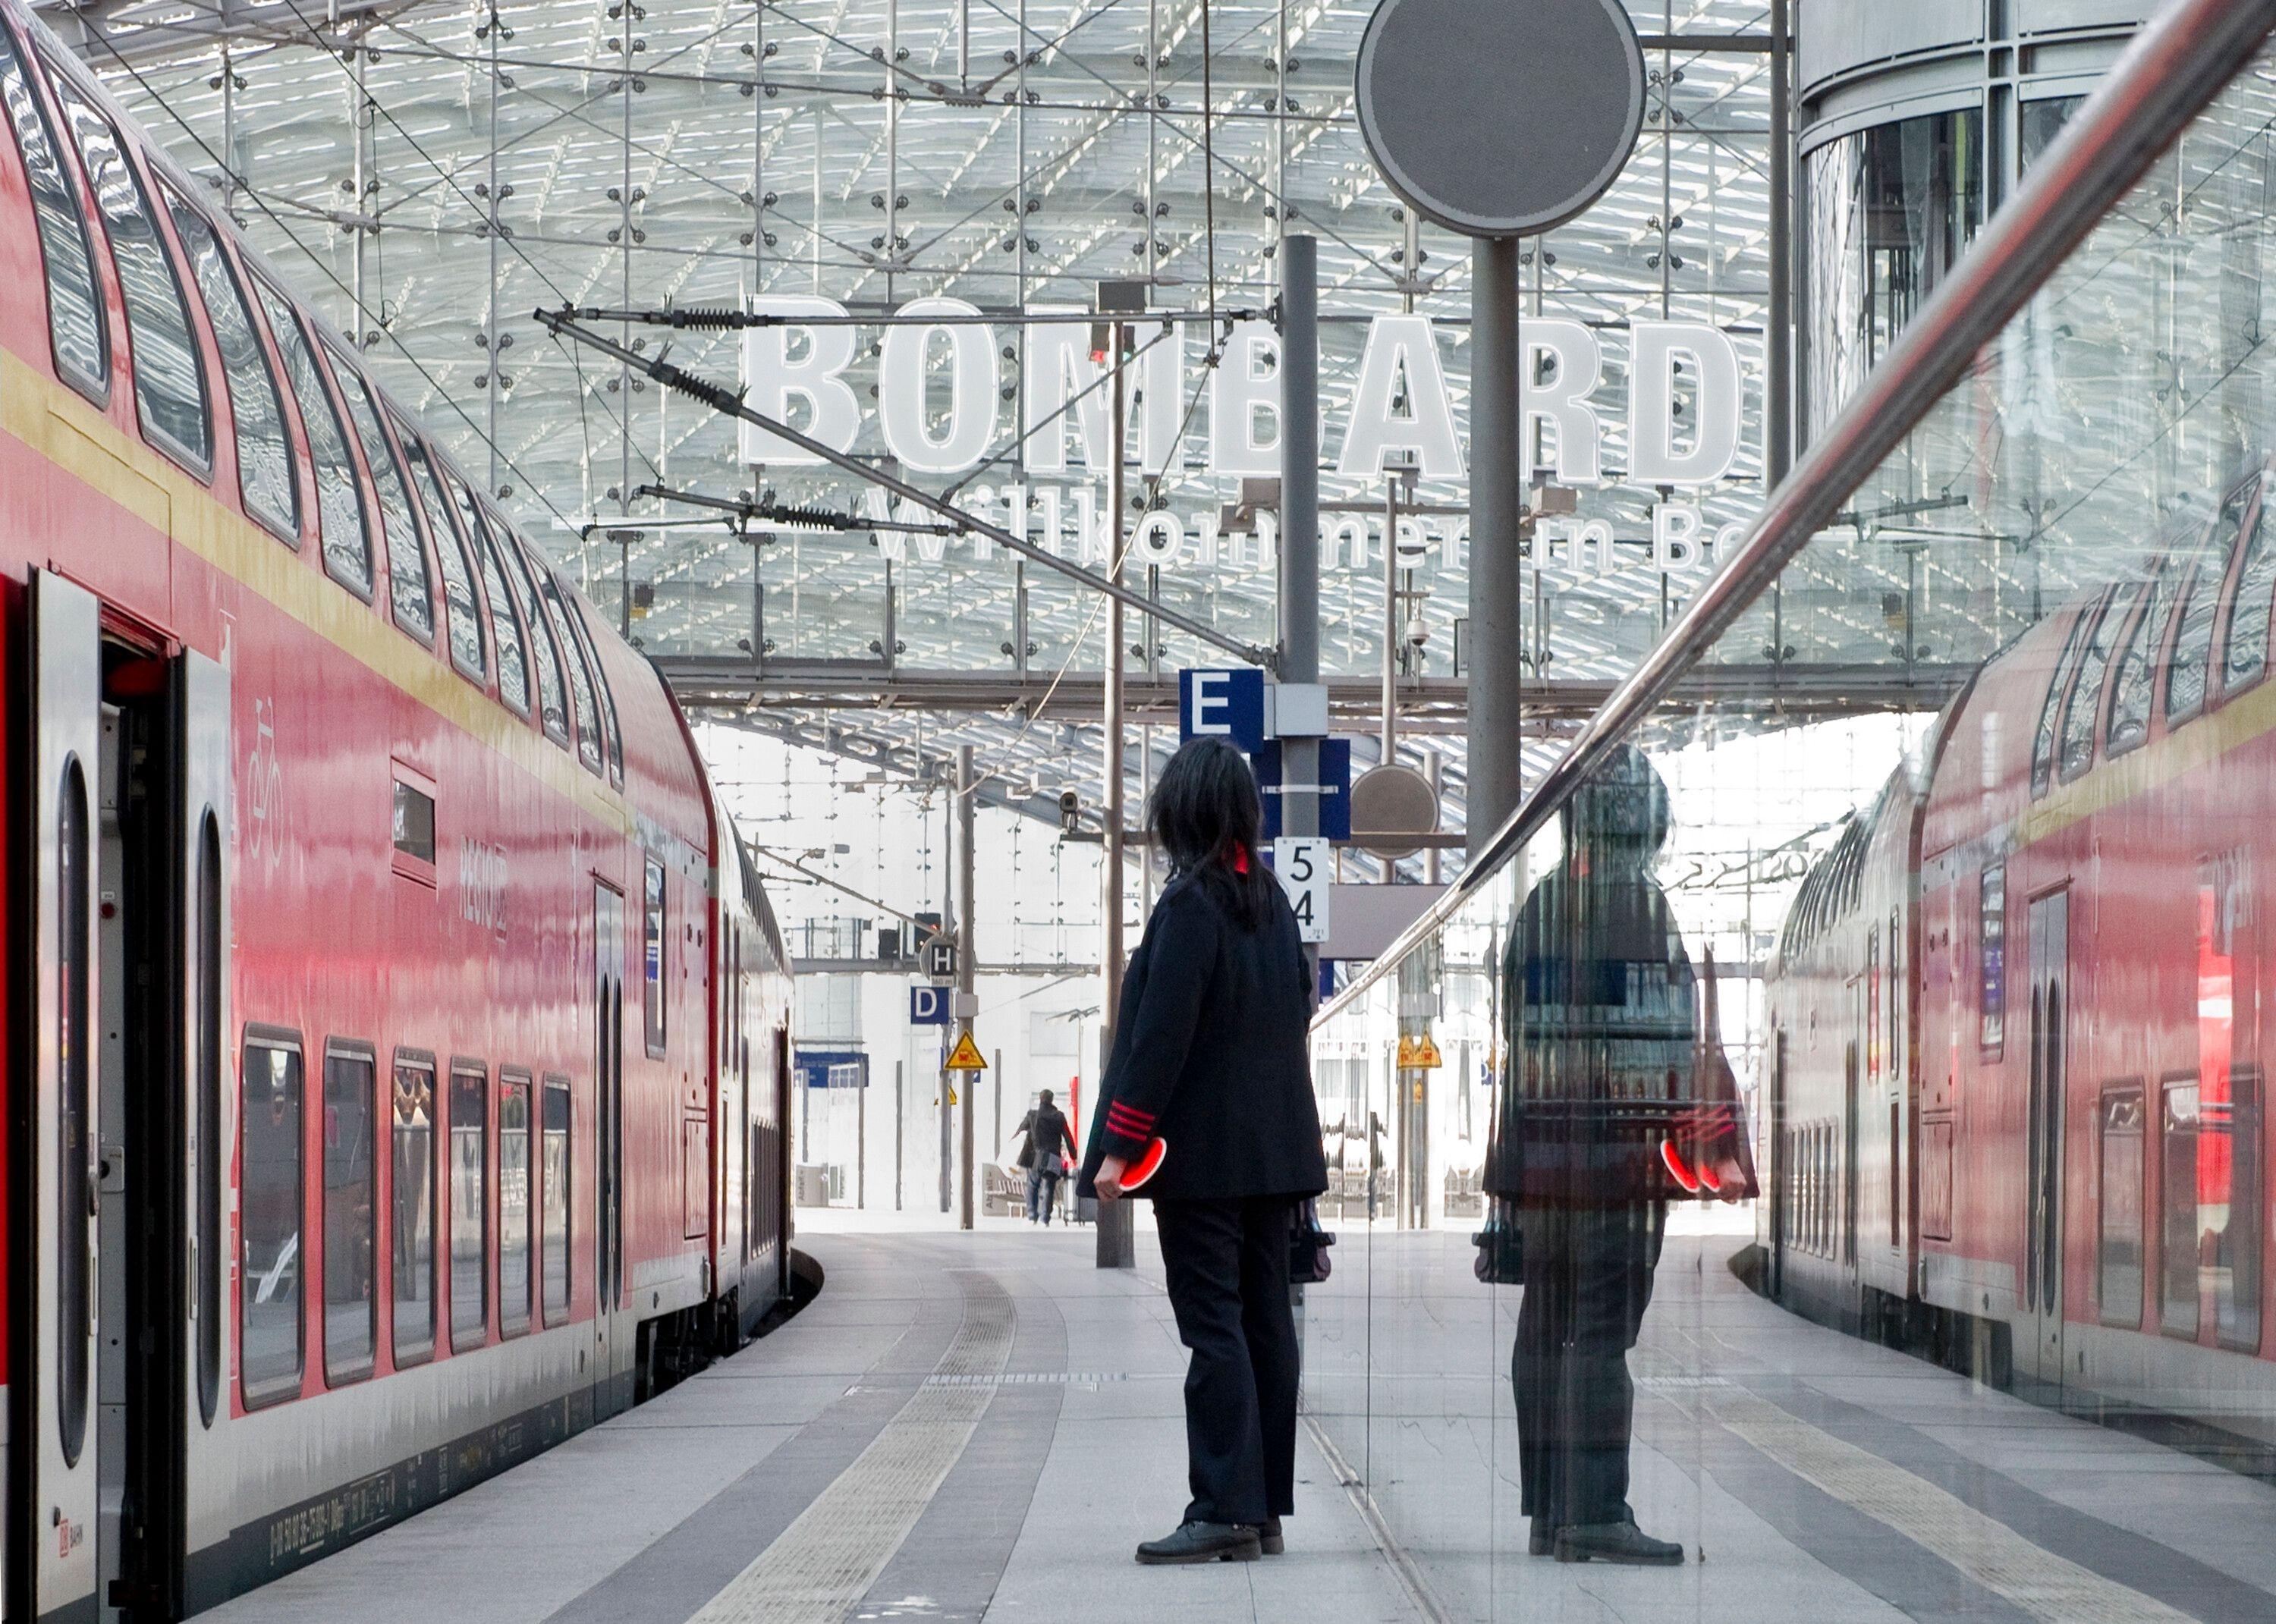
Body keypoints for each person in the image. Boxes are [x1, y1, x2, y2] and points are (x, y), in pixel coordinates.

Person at [1077, 735, 1328, 1566]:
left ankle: (1222, 1504)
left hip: (1207, 1160)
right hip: (1275, 1156)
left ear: (1179, 813)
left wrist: (1119, 1146)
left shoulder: (1191, 905)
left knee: (1213, 1322)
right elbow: (1294, 1011)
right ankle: (1262, 1508)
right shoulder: (1270, 905)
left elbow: (1159, 1037)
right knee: (1265, 1321)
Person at [1479, 745, 1690, 1567]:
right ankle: (1596, 1509)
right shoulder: (1637, 906)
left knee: (1547, 1327)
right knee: (1601, 1333)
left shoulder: (1541, 903)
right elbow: (1663, 1038)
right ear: (1640, 824)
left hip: (1539, 1161)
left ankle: (1552, 1509)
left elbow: (1515, 1032)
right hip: (1612, 1161)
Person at [1012, 1088, 1077, 1223]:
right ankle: (1045, 1218)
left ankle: (1032, 1215)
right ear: (1051, 1100)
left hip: (1036, 1156)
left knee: (1032, 1185)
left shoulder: (1032, 1115)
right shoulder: (1059, 1116)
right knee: (1048, 1186)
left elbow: (1021, 1129)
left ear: (1041, 1100)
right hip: (1053, 1156)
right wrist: (1073, 1155)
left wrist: (1015, 1136)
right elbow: (1068, 1137)